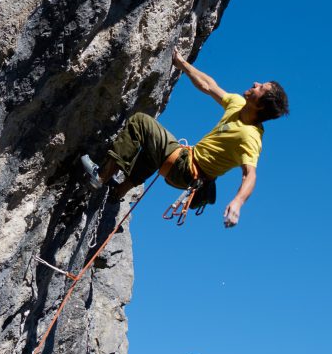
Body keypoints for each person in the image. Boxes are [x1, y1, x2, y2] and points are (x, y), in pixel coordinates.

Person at [82, 50, 289, 227]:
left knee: (141, 122)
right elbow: (209, 86)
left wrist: (237, 203)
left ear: (261, 105)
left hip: (188, 170)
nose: (256, 83)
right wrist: (182, 64)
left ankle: (100, 177)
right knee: (151, 147)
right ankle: (118, 192)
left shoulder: (250, 136)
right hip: (184, 163)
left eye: (262, 87)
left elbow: (250, 175)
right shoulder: (237, 103)